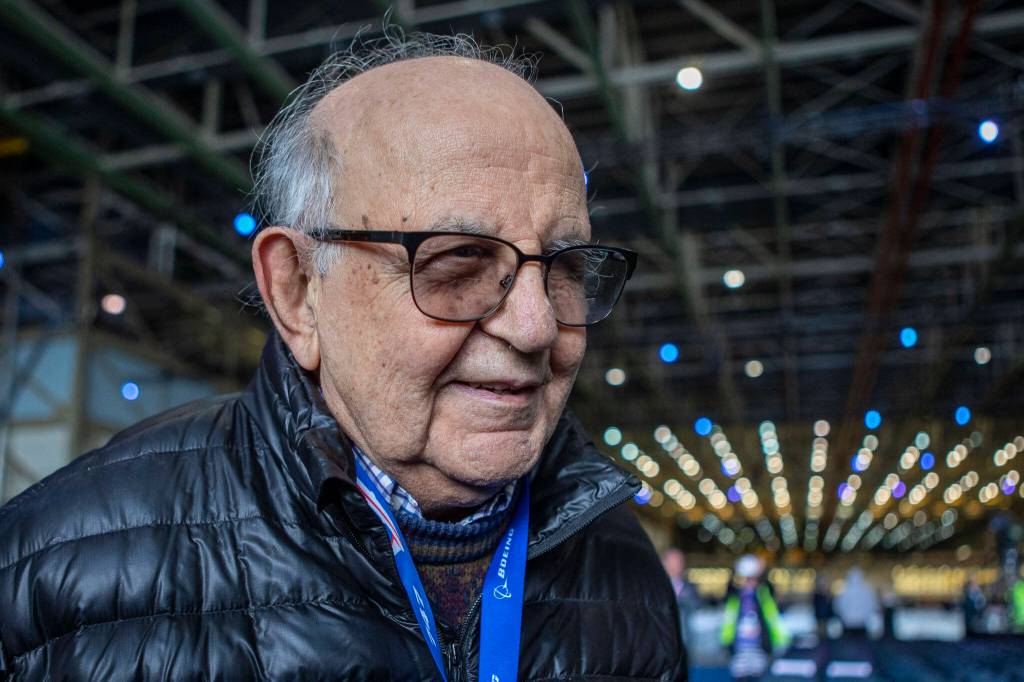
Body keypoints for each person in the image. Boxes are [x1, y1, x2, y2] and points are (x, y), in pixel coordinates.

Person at [0, 32, 687, 680]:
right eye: (458, 262)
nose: (537, 326)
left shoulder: (625, 568)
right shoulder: (52, 578)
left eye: (564, 265)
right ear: (298, 291)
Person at [720, 554, 789, 681]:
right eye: (746, 577)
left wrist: (763, 570)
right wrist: (734, 570)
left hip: (759, 649)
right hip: (739, 649)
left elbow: (771, 590)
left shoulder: (764, 595)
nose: (749, 581)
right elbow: (728, 591)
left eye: (752, 578)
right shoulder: (735, 596)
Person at [663, 548, 702, 647]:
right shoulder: (655, 588)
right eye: (671, 562)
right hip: (663, 641)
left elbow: (697, 610)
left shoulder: (692, 589)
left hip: (686, 642)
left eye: (678, 562)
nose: (674, 566)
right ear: (663, 563)